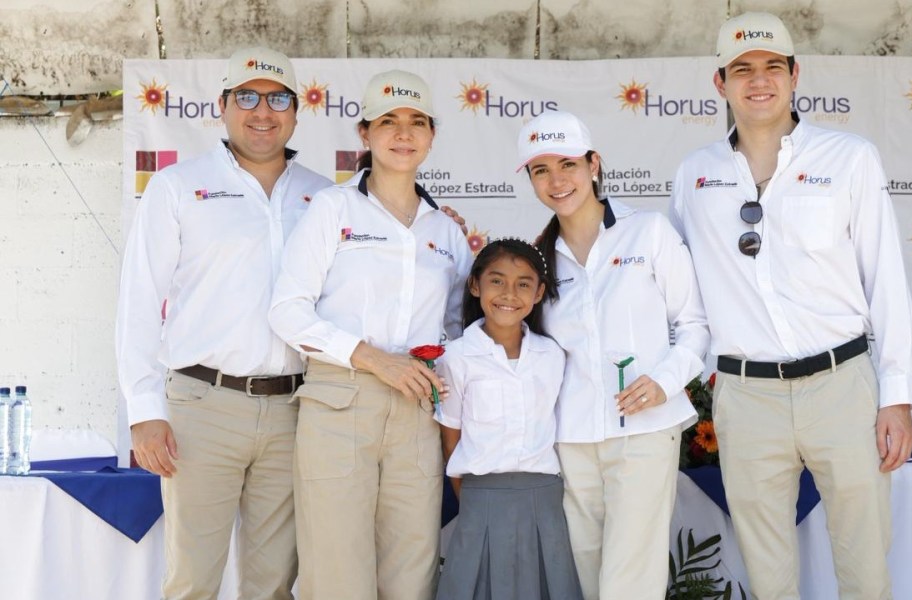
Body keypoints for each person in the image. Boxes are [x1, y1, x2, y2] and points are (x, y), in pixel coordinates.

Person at [669, 12, 912, 600]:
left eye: (772, 67)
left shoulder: (849, 157)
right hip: (745, 396)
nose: (759, 81)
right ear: (720, 82)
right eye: (742, 70)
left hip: (842, 385)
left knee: (865, 566)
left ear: (795, 74)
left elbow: (887, 280)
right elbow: (677, 288)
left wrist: (897, 397)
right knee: (767, 574)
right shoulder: (694, 173)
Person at [116, 47, 331, 599]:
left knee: (274, 583)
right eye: (248, 97)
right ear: (223, 106)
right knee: (192, 580)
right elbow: (139, 300)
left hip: (294, 409)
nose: (263, 111)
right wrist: (143, 411)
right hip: (201, 408)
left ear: (296, 110)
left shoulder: (326, 196)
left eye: (278, 97)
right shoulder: (177, 186)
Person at [268, 69, 472, 600]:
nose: (403, 134)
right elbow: (287, 311)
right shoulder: (333, 209)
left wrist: (436, 365)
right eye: (388, 122)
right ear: (365, 134)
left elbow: (456, 329)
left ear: (431, 136)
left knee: (413, 572)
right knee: (336, 575)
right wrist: (375, 360)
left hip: (417, 410)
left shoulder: (447, 231)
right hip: (339, 402)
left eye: (416, 122)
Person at [519, 110, 710, 599]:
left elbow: (694, 326)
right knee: (588, 571)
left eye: (568, 164)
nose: (557, 180)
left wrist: (665, 382)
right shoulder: (536, 259)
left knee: (631, 578)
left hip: (644, 431)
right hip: (571, 437)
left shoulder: (647, 231)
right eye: (541, 170)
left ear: (594, 163)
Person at [434, 238, 583, 600]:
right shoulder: (456, 357)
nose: (509, 293)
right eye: (497, 280)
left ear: (539, 292)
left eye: (523, 284)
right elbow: (450, 436)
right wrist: (473, 496)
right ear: (475, 285)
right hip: (480, 496)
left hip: (544, 497)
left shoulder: (553, 355)